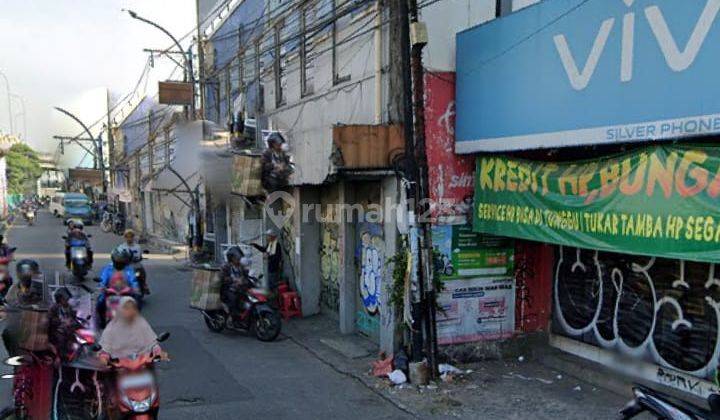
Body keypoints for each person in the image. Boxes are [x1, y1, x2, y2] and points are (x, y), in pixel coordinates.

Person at [99, 297, 163, 360]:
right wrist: (104, 355)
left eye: (132, 308)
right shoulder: (112, 327)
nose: (130, 310)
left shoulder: (141, 324)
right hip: (119, 362)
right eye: (126, 308)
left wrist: (156, 349)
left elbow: (151, 340)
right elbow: (106, 345)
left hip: (141, 359)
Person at [97, 248, 139, 328]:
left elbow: (133, 280)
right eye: (118, 260)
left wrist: (135, 288)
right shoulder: (108, 268)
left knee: (136, 302)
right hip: (110, 293)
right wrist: (102, 287)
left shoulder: (129, 269)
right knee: (100, 304)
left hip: (125, 293)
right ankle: (102, 322)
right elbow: (103, 279)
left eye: (121, 261)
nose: (119, 262)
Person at [48, 287, 80, 361]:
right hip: (57, 331)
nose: (67, 301)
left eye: (67, 299)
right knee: (61, 339)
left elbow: (74, 318)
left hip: (68, 330)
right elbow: (50, 320)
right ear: (60, 299)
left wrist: (76, 323)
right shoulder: (54, 308)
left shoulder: (69, 308)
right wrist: (62, 321)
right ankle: (60, 357)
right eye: (65, 299)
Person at [219, 246, 250, 320]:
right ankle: (232, 316)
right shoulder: (226, 266)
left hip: (239, 288)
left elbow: (245, 275)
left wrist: (247, 275)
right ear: (231, 258)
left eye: (239, 257)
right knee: (233, 298)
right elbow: (222, 278)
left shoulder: (240, 266)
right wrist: (234, 280)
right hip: (228, 289)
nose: (238, 259)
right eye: (236, 257)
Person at [118, 229, 149, 294]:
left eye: (131, 236)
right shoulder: (121, 247)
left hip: (135, 264)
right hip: (126, 265)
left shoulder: (137, 247)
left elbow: (139, 255)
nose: (129, 238)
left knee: (142, 270)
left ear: (133, 237)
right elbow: (118, 255)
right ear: (125, 237)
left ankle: (144, 284)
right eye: (127, 237)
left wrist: (138, 258)